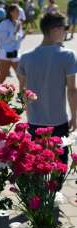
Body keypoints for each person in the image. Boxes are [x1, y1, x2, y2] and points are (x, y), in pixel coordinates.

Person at [18, 12, 77, 175]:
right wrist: (75, 115)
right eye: (64, 28)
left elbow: (22, 91)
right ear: (55, 29)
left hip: (34, 121)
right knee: (59, 166)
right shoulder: (68, 55)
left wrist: (26, 109)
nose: (66, 32)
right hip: (58, 121)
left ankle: (40, 198)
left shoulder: (26, 57)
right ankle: (54, 197)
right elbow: (72, 90)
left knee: (37, 165)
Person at [0, 4, 25, 83]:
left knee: (22, 77)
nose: (19, 13)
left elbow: (18, 39)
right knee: (3, 77)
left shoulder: (18, 23)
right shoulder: (4, 24)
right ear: (11, 12)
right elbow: (4, 40)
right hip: (6, 52)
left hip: (15, 52)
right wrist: (16, 31)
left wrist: (24, 35)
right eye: (17, 11)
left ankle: (23, 94)